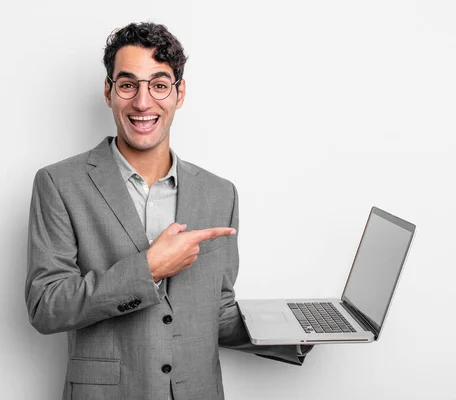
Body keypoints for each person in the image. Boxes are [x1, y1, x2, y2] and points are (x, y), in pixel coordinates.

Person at [25, 22, 311, 400]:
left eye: (159, 85)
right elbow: (47, 306)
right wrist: (149, 269)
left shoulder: (219, 194)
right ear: (109, 91)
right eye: (128, 85)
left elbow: (217, 314)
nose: (143, 103)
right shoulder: (59, 183)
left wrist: (299, 331)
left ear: (180, 93)